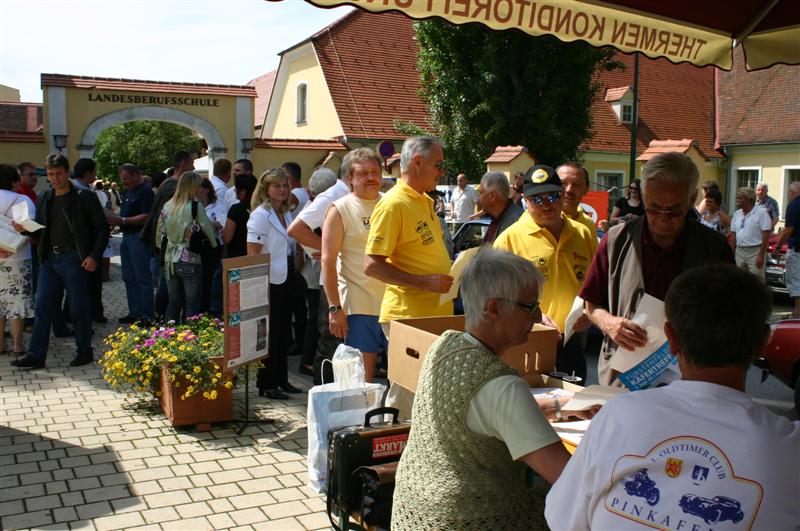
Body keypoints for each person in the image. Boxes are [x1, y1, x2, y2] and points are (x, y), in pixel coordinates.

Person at [546, 265, 800, 530]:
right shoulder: (791, 449)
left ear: (671, 338)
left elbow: (563, 520)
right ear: (763, 342)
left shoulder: (618, 415)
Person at [392, 247, 597, 530]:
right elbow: (569, 477)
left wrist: (563, 409)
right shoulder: (502, 386)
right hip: (472, 519)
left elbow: (485, 414)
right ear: (493, 309)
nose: (538, 316)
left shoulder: (444, 346)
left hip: (413, 513)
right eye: (529, 306)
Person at [579, 152, 733, 386]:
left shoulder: (714, 248)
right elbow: (590, 304)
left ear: (691, 199)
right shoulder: (616, 241)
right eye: (654, 208)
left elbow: (731, 313)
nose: (663, 218)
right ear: (643, 196)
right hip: (623, 374)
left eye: (674, 210)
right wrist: (610, 324)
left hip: (690, 376)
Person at [365, 136, 454, 418]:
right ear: (417, 161)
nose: (441, 171)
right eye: (438, 164)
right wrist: (424, 282)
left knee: (426, 394)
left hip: (432, 314)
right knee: (407, 395)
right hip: (409, 316)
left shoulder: (423, 201)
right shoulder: (394, 204)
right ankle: (393, 452)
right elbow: (372, 265)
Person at [494, 164, 597, 380]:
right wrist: (534, 316)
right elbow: (495, 297)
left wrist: (591, 313)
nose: (547, 205)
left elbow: (596, 282)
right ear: (525, 200)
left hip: (573, 340)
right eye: (537, 199)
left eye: (552, 196)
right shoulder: (509, 239)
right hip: (529, 339)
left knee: (573, 407)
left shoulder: (583, 233)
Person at [12, 154, 109, 369]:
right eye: (50, 174)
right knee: (42, 305)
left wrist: (93, 256)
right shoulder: (45, 197)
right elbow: (41, 227)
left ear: (67, 173)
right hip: (50, 259)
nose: (54, 178)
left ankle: (84, 351)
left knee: (77, 307)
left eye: (58, 173)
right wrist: (25, 228)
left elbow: (102, 229)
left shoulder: (84, 197)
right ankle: (37, 355)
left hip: (75, 258)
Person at [321, 148, 386, 382]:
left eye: (375, 172)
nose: (370, 178)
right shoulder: (340, 209)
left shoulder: (391, 204)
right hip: (360, 305)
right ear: (349, 178)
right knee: (361, 378)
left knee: (400, 375)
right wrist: (334, 308)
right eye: (363, 173)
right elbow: (327, 262)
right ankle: (359, 418)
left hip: (394, 305)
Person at [287, 166, 349, 383]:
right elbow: (296, 229)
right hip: (330, 279)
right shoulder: (333, 195)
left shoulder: (345, 195)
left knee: (335, 338)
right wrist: (326, 249)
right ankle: (322, 393)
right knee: (329, 337)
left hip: (342, 279)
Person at [246, 168, 301, 399]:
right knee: (270, 334)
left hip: (286, 276)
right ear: (266, 189)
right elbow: (253, 255)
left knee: (283, 332)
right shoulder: (261, 215)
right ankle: (267, 384)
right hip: (269, 281)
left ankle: (281, 379)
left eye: (285, 186)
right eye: (277, 186)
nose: (282, 190)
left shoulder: (286, 213)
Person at [294, 168, 338, 377]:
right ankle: (307, 361)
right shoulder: (319, 206)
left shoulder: (313, 204)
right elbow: (299, 233)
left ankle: (308, 360)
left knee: (315, 317)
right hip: (315, 272)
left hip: (317, 270)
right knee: (317, 319)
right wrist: (324, 249)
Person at [156, 172, 217, 323]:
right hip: (190, 258)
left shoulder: (168, 206)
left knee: (174, 303)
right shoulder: (195, 207)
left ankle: (168, 336)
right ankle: (190, 340)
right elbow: (208, 231)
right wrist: (215, 245)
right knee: (192, 305)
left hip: (170, 259)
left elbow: (159, 233)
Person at [141, 151, 194, 318]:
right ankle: (162, 319)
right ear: (184, 164)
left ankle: (162, 318)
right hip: (169, 245)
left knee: (168, 284)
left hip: (162, 243)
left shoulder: (166, 184)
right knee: (168, 287)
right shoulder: (174, 188)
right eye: (191, 163)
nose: (193, 166)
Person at [109, 163, 155, 324]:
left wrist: (123, 220)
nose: (124, 182)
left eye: (126, 179)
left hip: (139, 237)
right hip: (127, 236)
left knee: (142, 277)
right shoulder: (127, 191)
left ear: (136, 175)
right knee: (128, 277)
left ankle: (148, 314)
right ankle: (134, 312)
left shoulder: (145, 192)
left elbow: (146, 215)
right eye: (122, 180)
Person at [0, 165, 35, 356]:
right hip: (18, 259)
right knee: (17, 303)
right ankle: (17, 345)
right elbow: (28, 231)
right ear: (15, 181)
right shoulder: (21, 200)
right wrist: (9, 248)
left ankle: (0, 344)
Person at [731, 187, 771, 281]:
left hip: (755, 251)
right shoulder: (737, 214)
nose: (737, 201)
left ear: (749, 199)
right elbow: (733, 234)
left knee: (757, 281)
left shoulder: (761, 213)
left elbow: (766, 234)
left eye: (740, 198)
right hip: (739, 251)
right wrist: (732, 253)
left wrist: (761, 255)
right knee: (738, 280)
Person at [196, 178, 223, 315]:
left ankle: (209, 310)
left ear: (206, 190)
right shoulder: (193, 206)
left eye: (198, 187)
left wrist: (206, 221)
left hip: (212, 248)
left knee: (209, 280)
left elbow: (222, 226)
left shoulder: (217, 206)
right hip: (197, 248)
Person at [774, 181, 800, 317]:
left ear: (792, 192)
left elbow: (788, 229)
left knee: (795, 279)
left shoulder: (794, 206)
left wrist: (778, 247)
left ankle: (797, 311)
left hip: (797, 248)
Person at [477, 171, 523, 245]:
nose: (478, 199)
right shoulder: (498, 218)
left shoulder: (517, 222)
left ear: (492, 196)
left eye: (480, 193)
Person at [557, 162, 597, 238]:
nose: (569, 190)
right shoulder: (543, 220)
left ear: (586, 189)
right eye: (563, 183)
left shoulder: (588, 223)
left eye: (576, 184)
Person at [222, 174, 257, 259]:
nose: (234, 191)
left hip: (237, 258)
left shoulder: (236, 209)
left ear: (243, 191)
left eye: (236, 189)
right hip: (256, 256)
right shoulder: (262, 209)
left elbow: (227, 238)